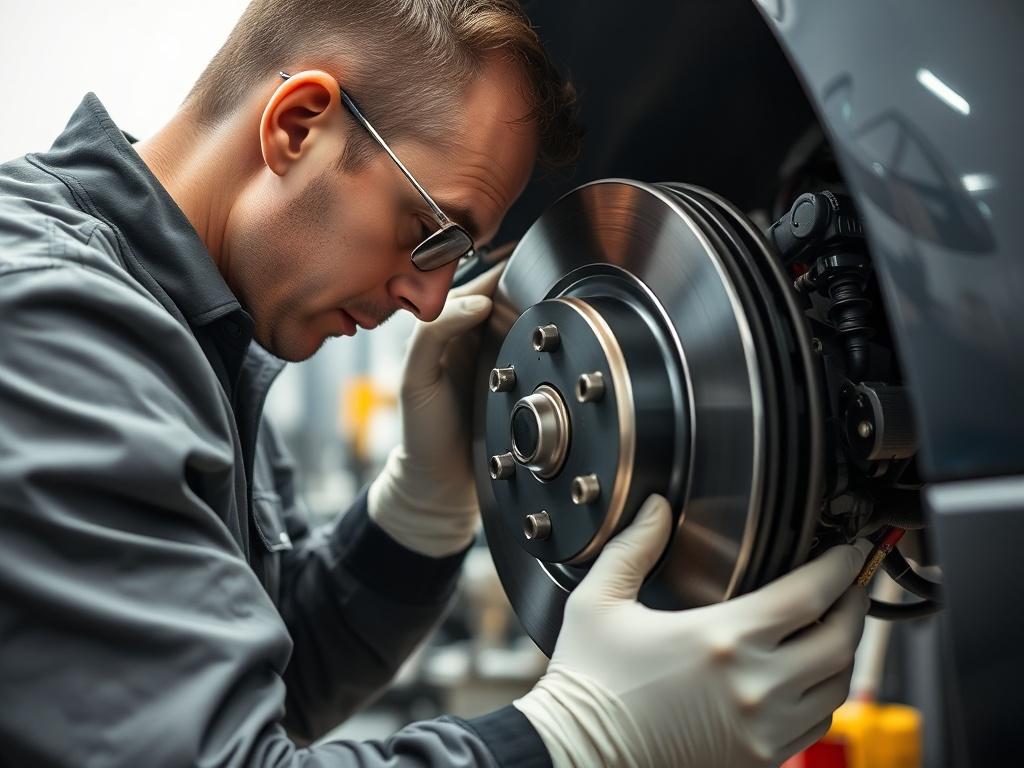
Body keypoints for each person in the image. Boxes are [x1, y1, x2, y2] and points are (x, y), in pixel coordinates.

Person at [0, 1, 872, 765]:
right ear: (299, 124)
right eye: (430, 231)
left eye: (459, 258)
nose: (427, 301)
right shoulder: (48, 326)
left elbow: (279, 674)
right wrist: (579, 741)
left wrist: (418, 507)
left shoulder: (207, 334)